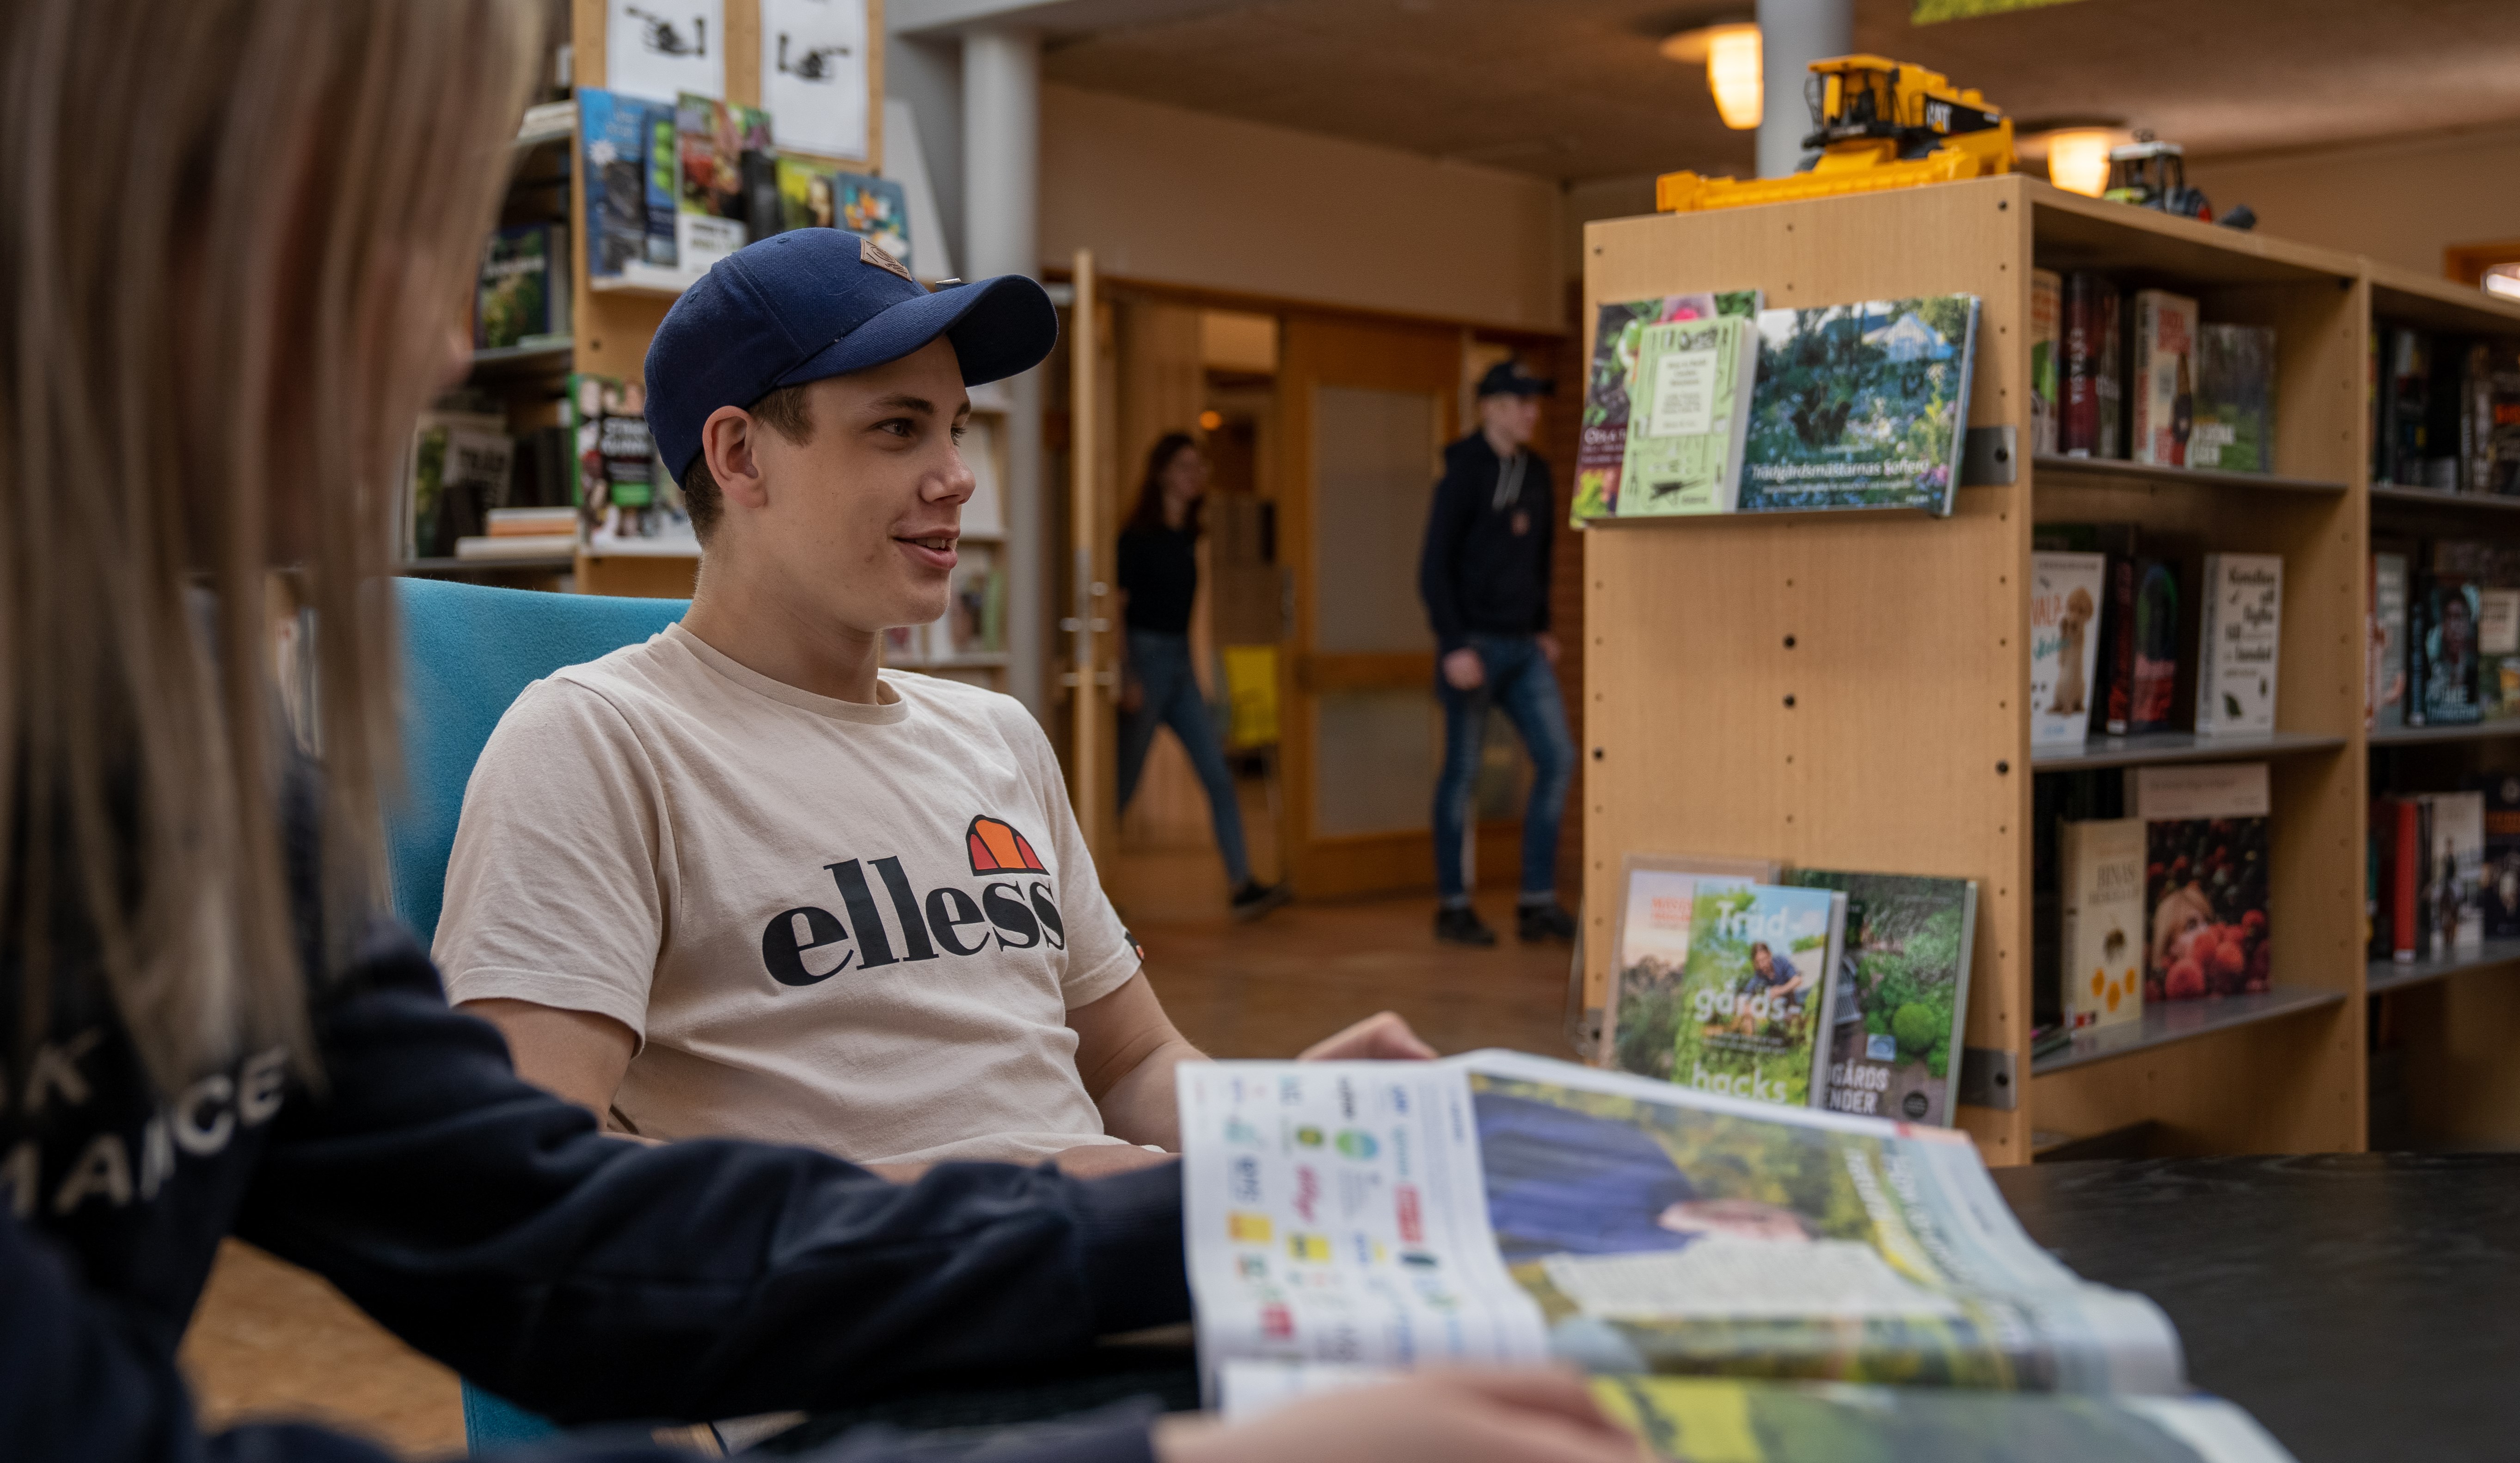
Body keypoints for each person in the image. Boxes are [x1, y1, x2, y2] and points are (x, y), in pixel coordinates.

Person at [0, 4, 1645, 1462]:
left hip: (997, 1281)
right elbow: (550, 1226)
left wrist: (1262, 1170)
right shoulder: (596, 740)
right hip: (896, 1368)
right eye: (380, 231)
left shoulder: (185, 765)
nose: (444, 342)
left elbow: (538, 1226)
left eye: (957, 428)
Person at [431, 233, 1426, 1176]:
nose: (956, 478)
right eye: (897, 428)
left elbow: (1129, 1064)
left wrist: (1294, 1123)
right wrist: (981, 1199)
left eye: (951, 428)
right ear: (738, 457)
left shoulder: (996, 735)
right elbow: (530, 1174)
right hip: (890, 1321)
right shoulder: (599, 741)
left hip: (1113, 1273)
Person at [1418, 360, 1577, 948]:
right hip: (1473, 646)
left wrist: (1542, 626)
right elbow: (1433, 570)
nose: (1529, 411)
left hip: (1523, 647)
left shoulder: (1537, 472)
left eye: (1534, 400)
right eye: (1516, 400)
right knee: (1462, 773)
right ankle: (1453, 905)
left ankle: (1536, 901)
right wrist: (1453, 643)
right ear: (1487, 406)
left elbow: (1538, 558)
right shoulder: (1461, 473)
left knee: (1557, 758)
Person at [1116, 434, 1291, 922]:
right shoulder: (1136, 537)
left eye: (1200, 467)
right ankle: (1081, 894)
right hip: (1145, 660)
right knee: (1120, 785)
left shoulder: (1187, 535)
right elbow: (1116, 610)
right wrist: (1126, 675)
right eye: (1186, 466)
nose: (1197, 475)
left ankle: (1242, 886)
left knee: (1217, 773)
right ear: (1162, 474)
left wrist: (1195, 673)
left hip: (1179, 664)